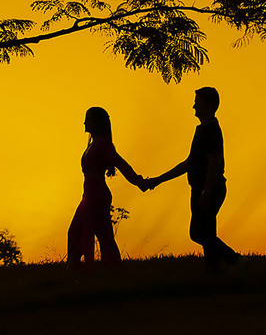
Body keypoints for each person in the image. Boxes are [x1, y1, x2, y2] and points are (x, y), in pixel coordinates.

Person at [141, 87, 244, 272]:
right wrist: (159, 180)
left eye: (198, 102)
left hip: (208, 189)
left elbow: (215, 162)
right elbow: (190, 163)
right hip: (199, 188)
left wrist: (206, 191)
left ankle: (234, 259)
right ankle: (215, 271)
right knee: (206, 232)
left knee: (198, 232)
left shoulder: (211, 129)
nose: (194, 106)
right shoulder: (203, 129)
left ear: (209, 105)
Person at [68, 106, 146, 267]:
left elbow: (121, 164)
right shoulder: (94, 143)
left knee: (89, 233)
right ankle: (80, 267)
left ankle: (78, 267)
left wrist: (139, 182)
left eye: (88, 118)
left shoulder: (103, 144)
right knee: (89, 233)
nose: (84, 122)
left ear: (96, 122)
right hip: (89, 195)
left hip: (97, 195)